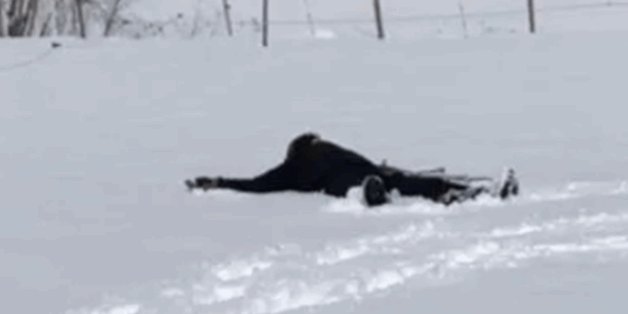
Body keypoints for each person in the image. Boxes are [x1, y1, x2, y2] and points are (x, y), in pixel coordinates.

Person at [186, 132, 518, 208]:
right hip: (364, 173)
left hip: (353, 177)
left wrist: (217, 182)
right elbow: (256, 184)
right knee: (413, 183)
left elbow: (255, 185)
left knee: (402, 182)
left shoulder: (289, 170)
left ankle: (464, 193)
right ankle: (465, 193)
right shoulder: (309, 157)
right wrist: (219, 182)